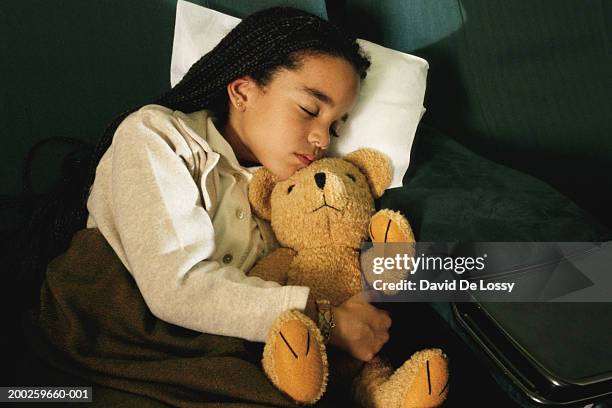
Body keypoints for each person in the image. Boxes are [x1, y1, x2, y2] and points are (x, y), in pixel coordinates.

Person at [80, 6, 390, 364]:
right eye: (309, 109)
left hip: (238, 357)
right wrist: (326, 320)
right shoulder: (155, 136)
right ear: (242, 92)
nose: (323, 138)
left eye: (336, 126)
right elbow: (176, 287)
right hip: (125, 346)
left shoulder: (291, 192)